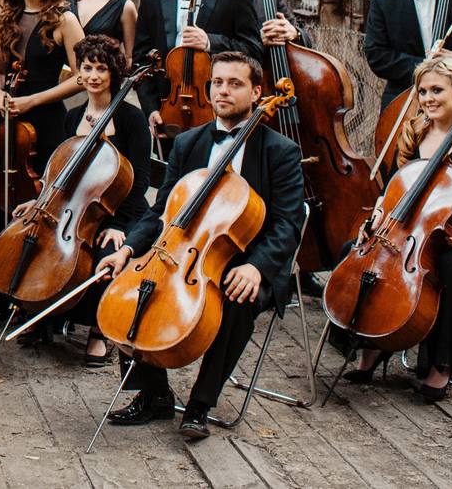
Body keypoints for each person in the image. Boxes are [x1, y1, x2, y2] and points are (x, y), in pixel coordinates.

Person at [95, 52, 304, 439]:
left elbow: (288, 224)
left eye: (235, 83)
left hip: (246, 259)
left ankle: (200, 404)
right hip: (185, 254)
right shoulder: (188, 142)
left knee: (235, 299)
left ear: (258, 92)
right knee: (131, 289)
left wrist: (257, 266)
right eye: (218, 82)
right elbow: (162, 213)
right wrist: (128, 251)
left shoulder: (280, 151)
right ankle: (154, 394)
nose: (223, 90)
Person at [345, 52, 452, 400]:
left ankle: (442, 363)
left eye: (437, 91)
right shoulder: (414, 134)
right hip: (410, 233)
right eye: (423, 91)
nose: (428, 99)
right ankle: (372, 342)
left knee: (451, 265)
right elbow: (391, 190)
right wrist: (375, 219)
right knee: (359, 255)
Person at [8, 35, 150, 368]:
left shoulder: (131, 120)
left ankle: (99, 331)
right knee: (38, 242)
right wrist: (41, 201)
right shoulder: (73, 118)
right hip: (76, 208)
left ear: (113, 73)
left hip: (121, 210)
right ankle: (44, 315)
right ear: (80, 73)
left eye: (102, 68)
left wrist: (116, 225)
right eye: (88, 67)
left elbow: (140, 181)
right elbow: (61, 171)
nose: (95, 75)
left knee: (104, 253)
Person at [0, 0, 83, 321]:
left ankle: (39, 299)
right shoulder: (8, 17)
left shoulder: (63, 18)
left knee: (44, 204)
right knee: (8, 201)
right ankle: (4, 290)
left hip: (45, 121)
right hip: (9, 121)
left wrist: (32, 100)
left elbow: (81, 77)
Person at [133, 0, 263, 130]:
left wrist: (210, 42)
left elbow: (254, 50)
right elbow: (142, 60)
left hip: (216, 109)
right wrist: (151, 108)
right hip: (168, 110)